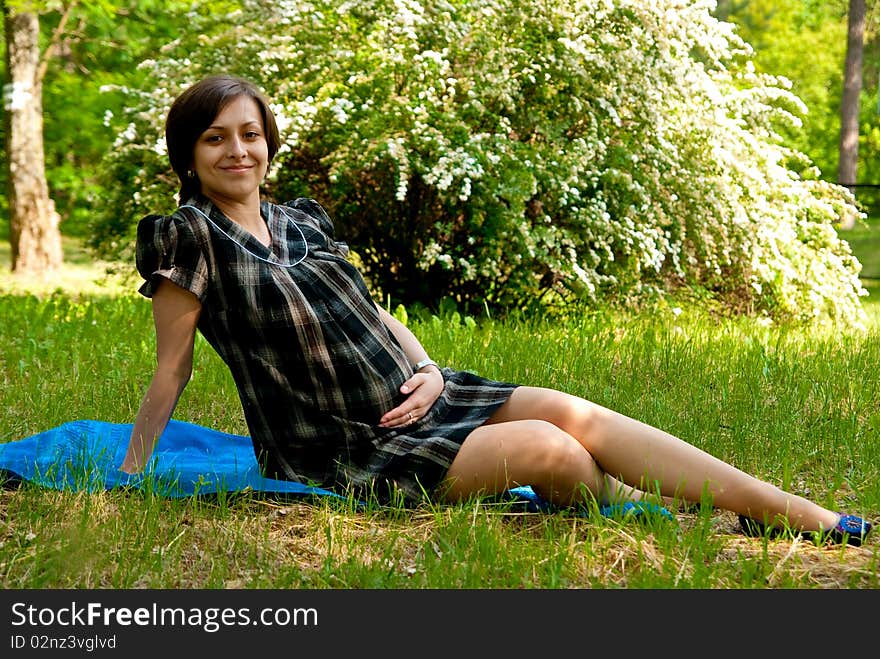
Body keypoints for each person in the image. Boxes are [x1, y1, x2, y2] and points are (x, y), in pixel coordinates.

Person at [119, 73, 872, 547]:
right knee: (554, 450)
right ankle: (652, 502)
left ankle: (785, 508)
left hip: (426, 396)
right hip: (345, 444)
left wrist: (426, 371)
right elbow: (172, 368)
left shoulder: (301, 220)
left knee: (578, 415)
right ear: (189, 155)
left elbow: (374, 314)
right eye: (215, 138)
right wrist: (131, 470)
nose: (237, 150)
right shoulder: (186, 238)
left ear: (269, 143)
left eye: (250, 134)